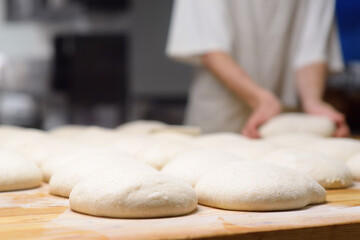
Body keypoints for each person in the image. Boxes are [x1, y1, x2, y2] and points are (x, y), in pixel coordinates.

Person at [166, 0, 350, 138]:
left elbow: (311, 47)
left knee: (284, 181)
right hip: (221, 114)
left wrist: (313, 102)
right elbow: (210, 46)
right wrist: (261, 100)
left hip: (281, 119)